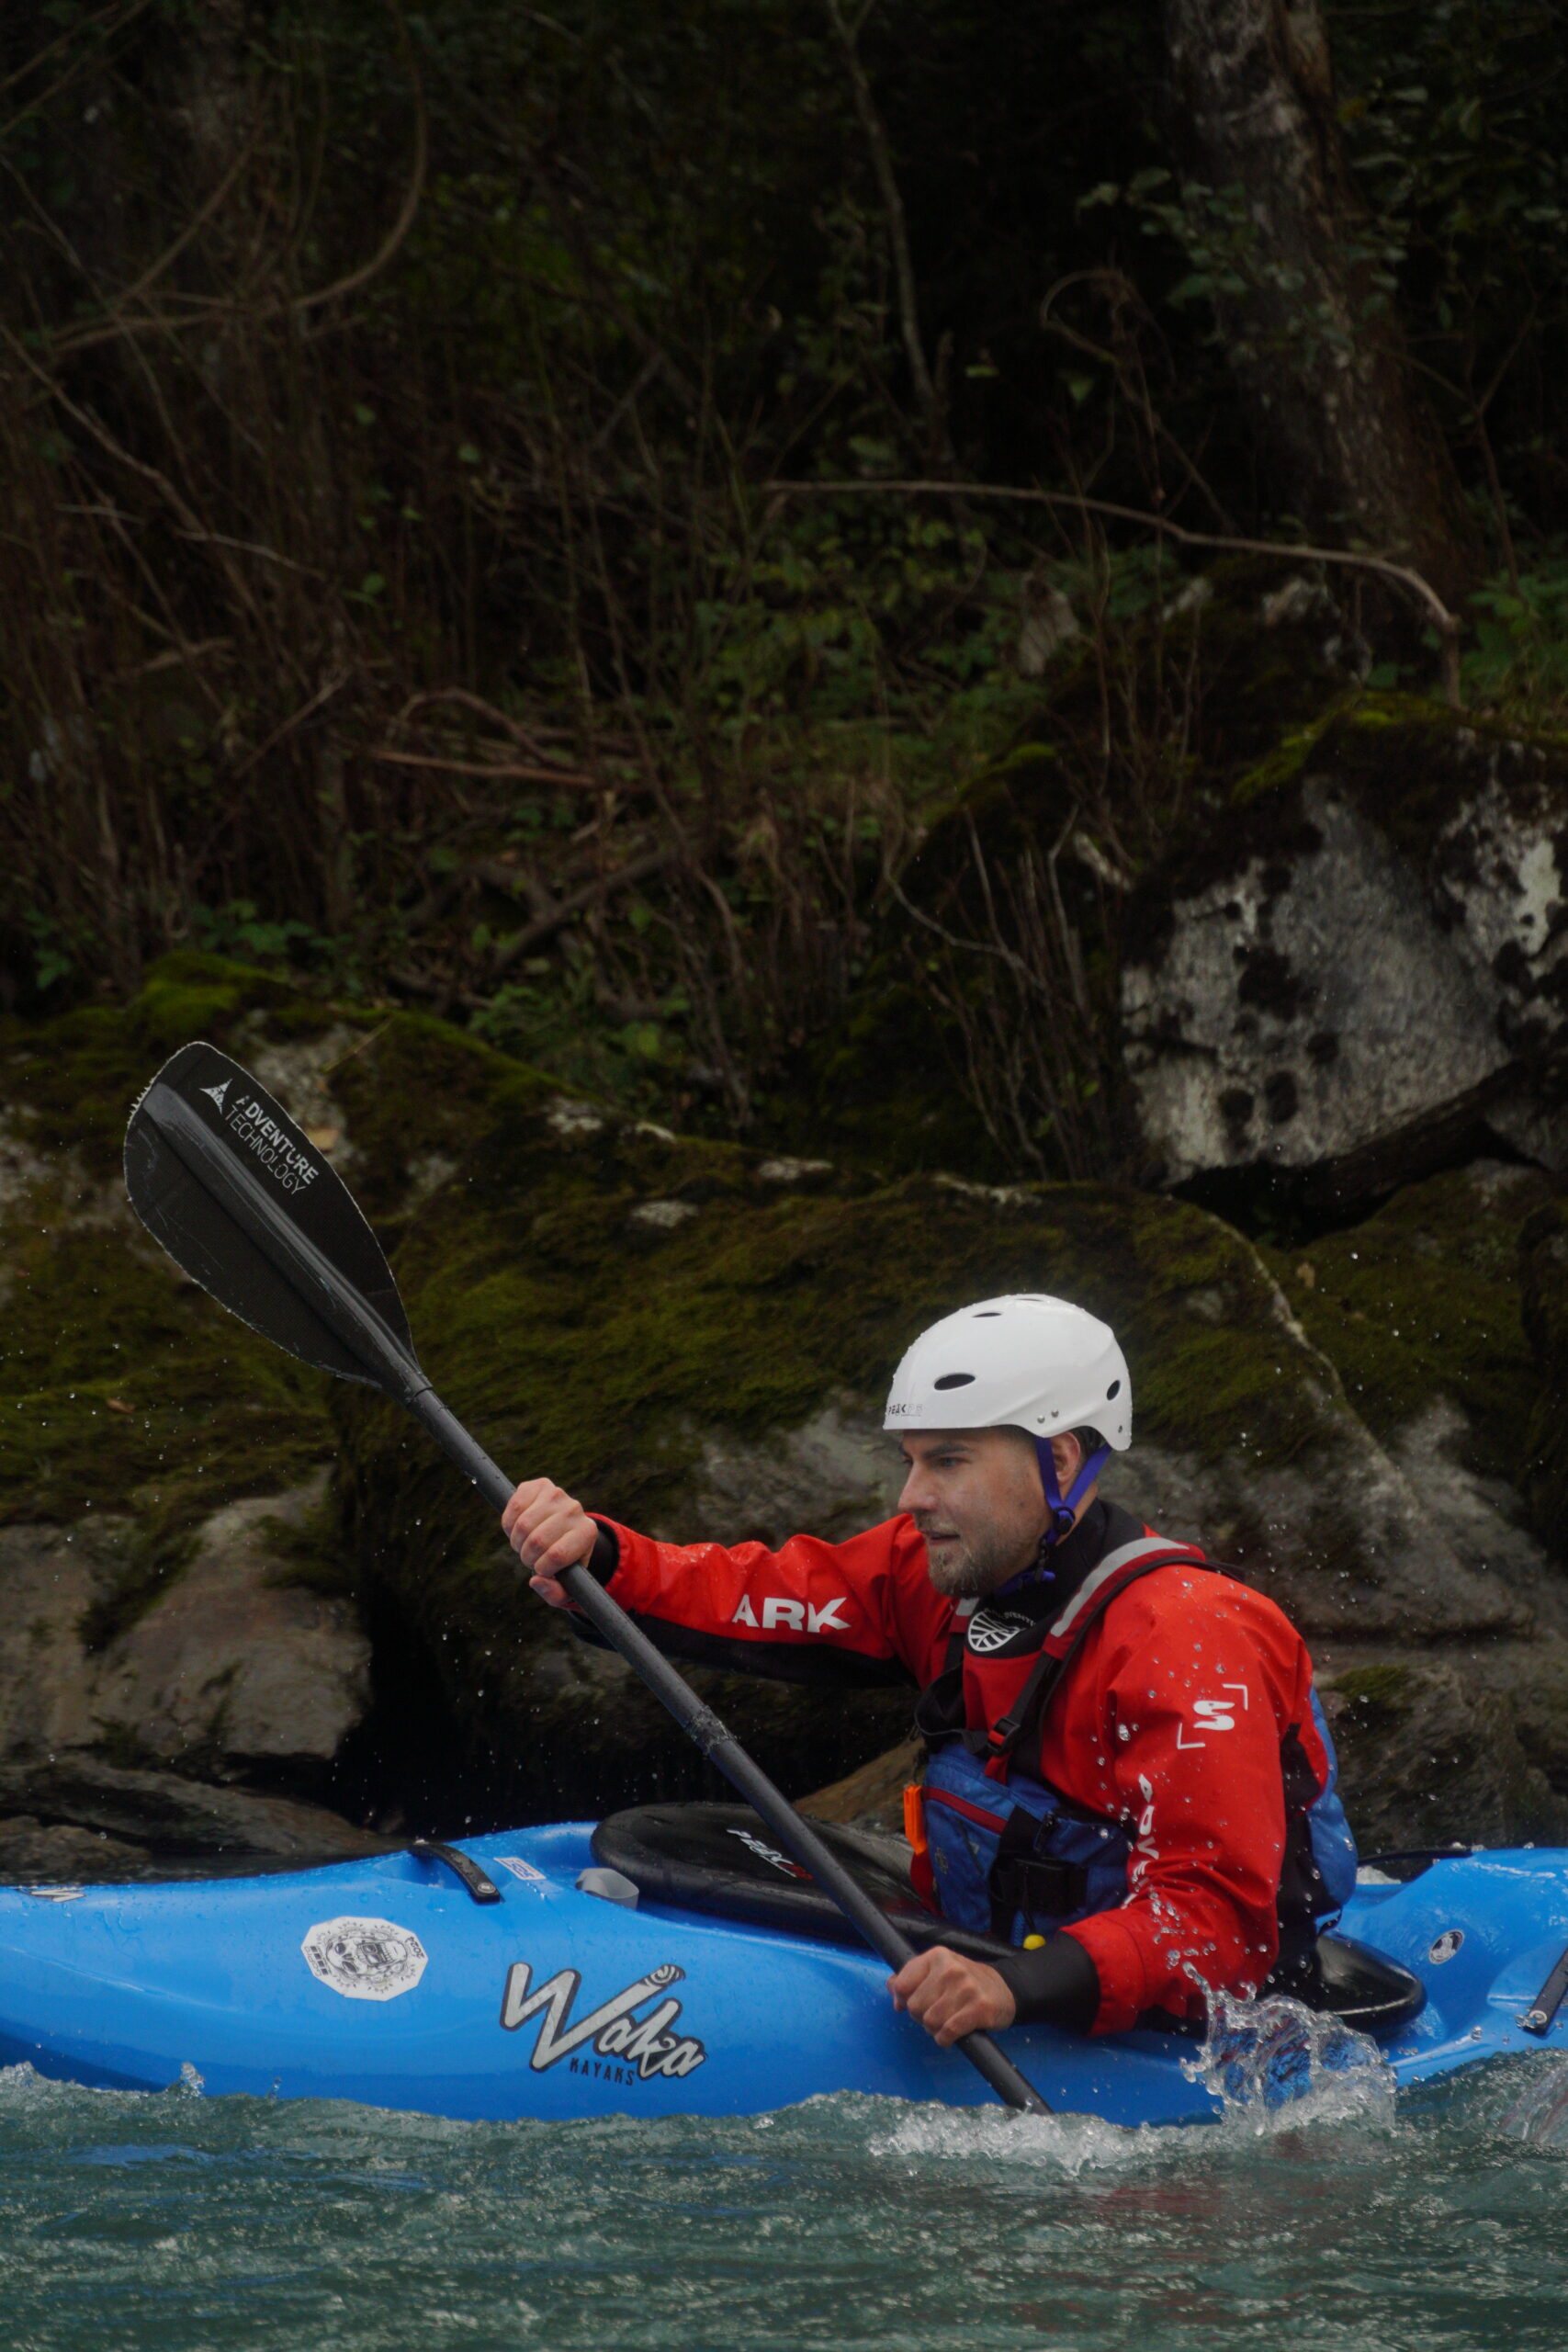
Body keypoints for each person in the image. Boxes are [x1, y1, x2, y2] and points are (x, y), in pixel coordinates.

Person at [502, 1293, 1357, 2048]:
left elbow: (1213, 1926)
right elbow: (756, 1594)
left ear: (1056, 1463)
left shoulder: (1187, 1636)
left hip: (1169, 2036)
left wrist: (1011, 1988)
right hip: (986, 1963)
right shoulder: (938, 1575)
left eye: (947, 1461)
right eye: (909, 1461)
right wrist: (604, 1558)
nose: (910, 1497)